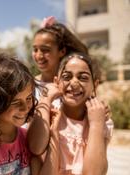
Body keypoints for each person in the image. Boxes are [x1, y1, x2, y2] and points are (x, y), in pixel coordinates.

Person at [33, 52, 114, 175]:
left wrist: (96, 124)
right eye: (66, 77)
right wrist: (46, 99)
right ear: (57, 82)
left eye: (83, 77)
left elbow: (94, 173)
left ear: (95, 85)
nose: (74, 83)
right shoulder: (48, 113)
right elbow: (35, 148)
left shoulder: (101, 120)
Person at [27, 16, 89, 155]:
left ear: (62, 51)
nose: (39, 55)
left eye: (45, 50)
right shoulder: (28, 85)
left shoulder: (73, 87)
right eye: (35, 49)